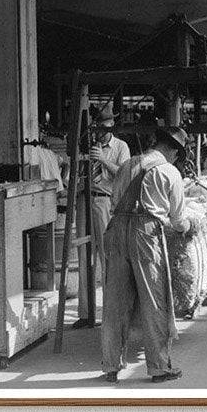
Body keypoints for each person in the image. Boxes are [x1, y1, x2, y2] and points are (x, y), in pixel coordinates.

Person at [100, 125, 190, 383]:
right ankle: (160, 367)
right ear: (172, 150)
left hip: (117, 229)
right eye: (177, 155)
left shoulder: (127, 164)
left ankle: (110, 366)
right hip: (146, 233)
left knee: (115, 302)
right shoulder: (169, 171)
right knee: (154, 300)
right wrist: (187, 227)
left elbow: (115, 200)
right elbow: (177, 218)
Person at [75, 106, 131, 328]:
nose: (101, 133)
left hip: (105, 200)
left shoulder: (120, 147)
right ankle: (86, 313)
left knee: (107, 257)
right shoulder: (87, 144)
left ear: (112, 126)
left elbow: (125, 174)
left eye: (105, 128)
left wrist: (104, 161)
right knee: (83, 256)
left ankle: (110, 313)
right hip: (84, 199)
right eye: (98, 128)